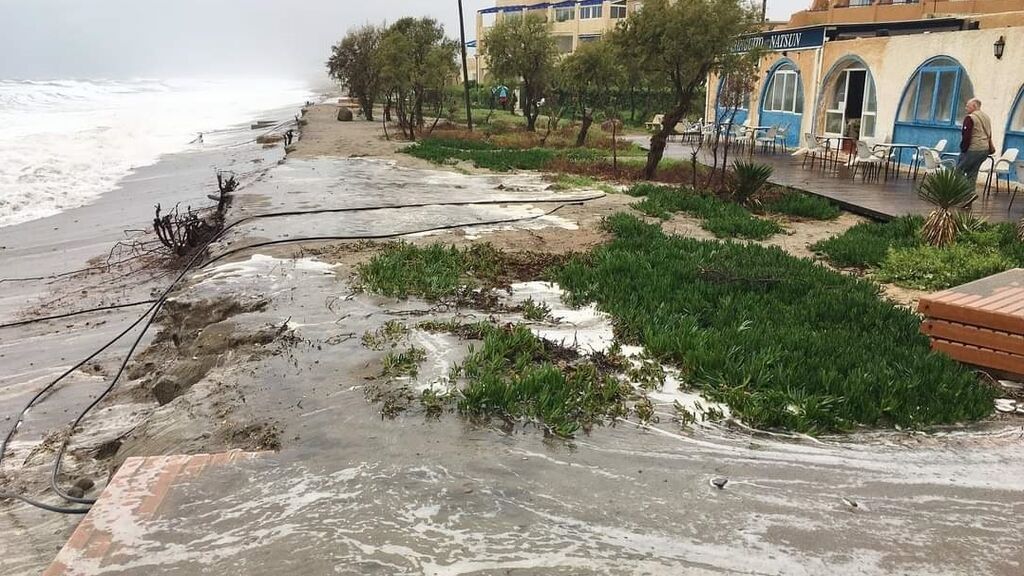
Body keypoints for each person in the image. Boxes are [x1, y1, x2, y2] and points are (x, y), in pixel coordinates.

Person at [956, 98, 995, 183]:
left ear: (974, 106)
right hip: (984, 150)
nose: (966, 108)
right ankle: (970, 194)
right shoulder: (986, 117)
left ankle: (957, 193)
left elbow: (966, 136)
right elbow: (989, 133)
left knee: (959, 171)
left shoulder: (970, 118)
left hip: (973, 149)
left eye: (968, 106)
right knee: (972, 173)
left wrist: (963, 150)